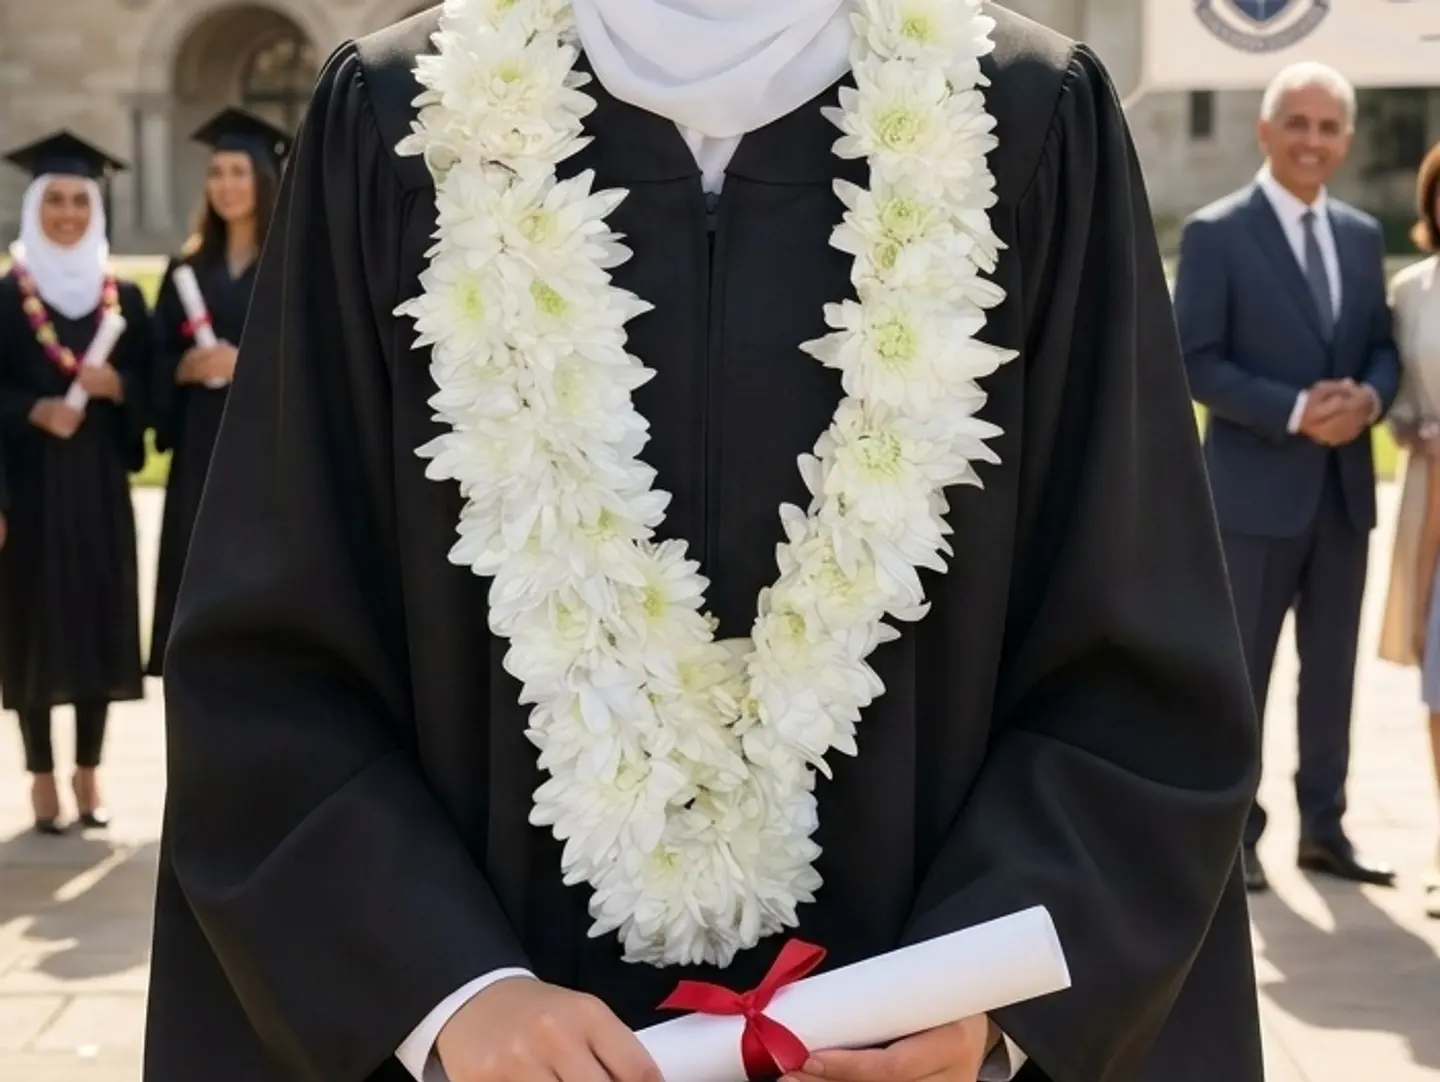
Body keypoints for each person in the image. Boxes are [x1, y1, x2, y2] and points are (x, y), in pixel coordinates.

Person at [144, 4, 1264, 1082]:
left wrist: (991, 992)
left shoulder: (1026, 123)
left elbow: (1133, 652)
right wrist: (442, 989)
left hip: (906, 1021)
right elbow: (275, 654)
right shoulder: (401, 124)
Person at [1175, 61, 1401, 894]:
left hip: (1342, 497)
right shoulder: (1216, 234)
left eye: (1329, 127)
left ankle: (1326, 829)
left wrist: (1372, 395)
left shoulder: (1362, 235)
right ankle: (1236, 837)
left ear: (1344, 140)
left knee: (1333, 672)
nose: (1313, 140)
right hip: (1249, 499)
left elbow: (1380, 342)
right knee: (1243, 678)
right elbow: (1193, 363)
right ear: (1265, 131)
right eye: (1297, 123)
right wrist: (1299, 408)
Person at [0, 131, 149, 834]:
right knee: (31, 624)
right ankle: (39, 778)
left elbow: (154, 393)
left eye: (79, 201)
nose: (67, 213)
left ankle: (90, 773)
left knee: (94, 618)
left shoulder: (119, 298)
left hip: (95, 485)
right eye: (54, 200)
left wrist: (118, 384)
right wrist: (34, 407)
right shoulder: (8, 296)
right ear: (35, 207)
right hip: (28, 488)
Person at [146, 106, 291, 678]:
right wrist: (181, 370)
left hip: (265, 457)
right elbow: (152, 362)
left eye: (239, 171)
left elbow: (312, 354)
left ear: (264, 179)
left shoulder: (286, 269)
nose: (226, 186)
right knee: (194, 594)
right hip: (199, 457)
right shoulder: (185, 269)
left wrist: (245, 365)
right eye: (216, 173)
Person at [1377, 139, 1440, 919]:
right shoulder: (1412, 292)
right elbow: (1393, 394)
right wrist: (1407, 427)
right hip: (1436, 507)